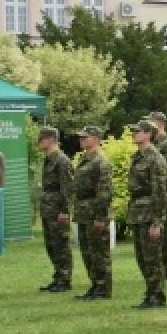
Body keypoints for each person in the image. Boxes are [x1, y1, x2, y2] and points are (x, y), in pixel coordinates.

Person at [126, 120, 167, 308]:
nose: (133, 134)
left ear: (148, 134)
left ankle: (157, 296)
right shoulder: (138, 156)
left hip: (149, 212)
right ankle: (150, 292)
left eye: (137, 131)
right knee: (142, 257)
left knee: (152, 257)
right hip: (138, 211)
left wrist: (157, 221)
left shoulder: (155, 158)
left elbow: (160, 192)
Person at [72, 126, 113, 300]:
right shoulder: (85, 158)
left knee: (99, 252)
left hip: (94, 212)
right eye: (81, 137)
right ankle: (95, 284)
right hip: (83, 212)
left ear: (96, 139)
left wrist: (100, 217)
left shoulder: (101, 161)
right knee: (87, 251)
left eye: (85, 137)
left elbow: (104, 192)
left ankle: (103, 288)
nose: (82, 140)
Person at [35, 126, 74, 292]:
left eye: (42, 139)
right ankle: (58, 277)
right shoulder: (49, 159)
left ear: (51, 139)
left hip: (58, 210)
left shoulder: (61, 161)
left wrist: (65, 211)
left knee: (61, 245)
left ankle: (65, 279)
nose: (39, 142)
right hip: (48, 209)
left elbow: (67, 188)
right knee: (51, 245)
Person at [148, 112, 167, 280]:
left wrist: (163, 192)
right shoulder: (151, 144)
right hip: (154, 193)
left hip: (163, 193)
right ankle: (160, 265)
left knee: (165, 231)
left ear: (160, 124)